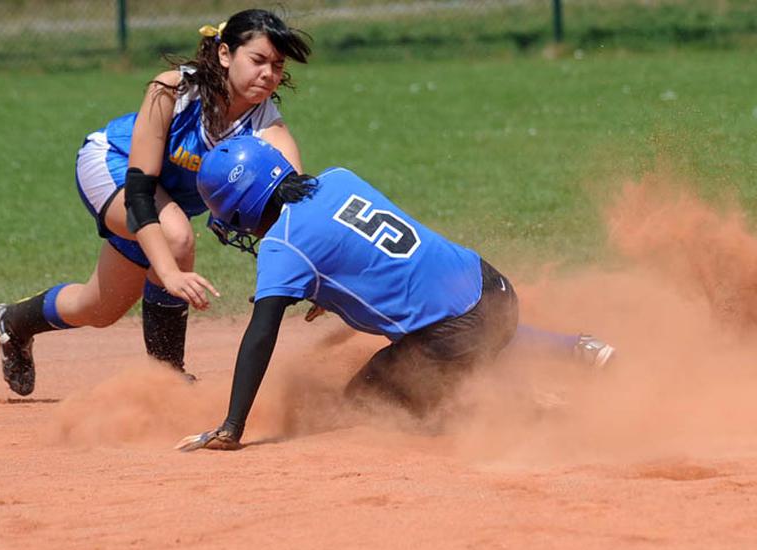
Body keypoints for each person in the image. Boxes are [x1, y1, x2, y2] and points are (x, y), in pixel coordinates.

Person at [175, 136, 616, 451]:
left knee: (364, 407)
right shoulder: (338, 178)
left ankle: (534, 420)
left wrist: (233, 425)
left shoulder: (281, 246)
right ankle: (581, 350)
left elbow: (260, 334)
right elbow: (357, 248)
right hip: (494, 286)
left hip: (456, 334)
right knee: (479, 329)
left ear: (240, 209)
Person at [0, 9, 312, 397]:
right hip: (113, 165)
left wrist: (316, 278)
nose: (268, 74)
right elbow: (140, 191)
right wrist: (169, 273)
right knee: (176, 239)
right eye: (257, 60)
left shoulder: (267, 127)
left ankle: (11, 323)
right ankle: (167, 379)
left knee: (99, 309)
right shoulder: (172, 90)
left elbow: (298, 213)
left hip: (161, 202)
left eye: (277, 65)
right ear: (225, 54)